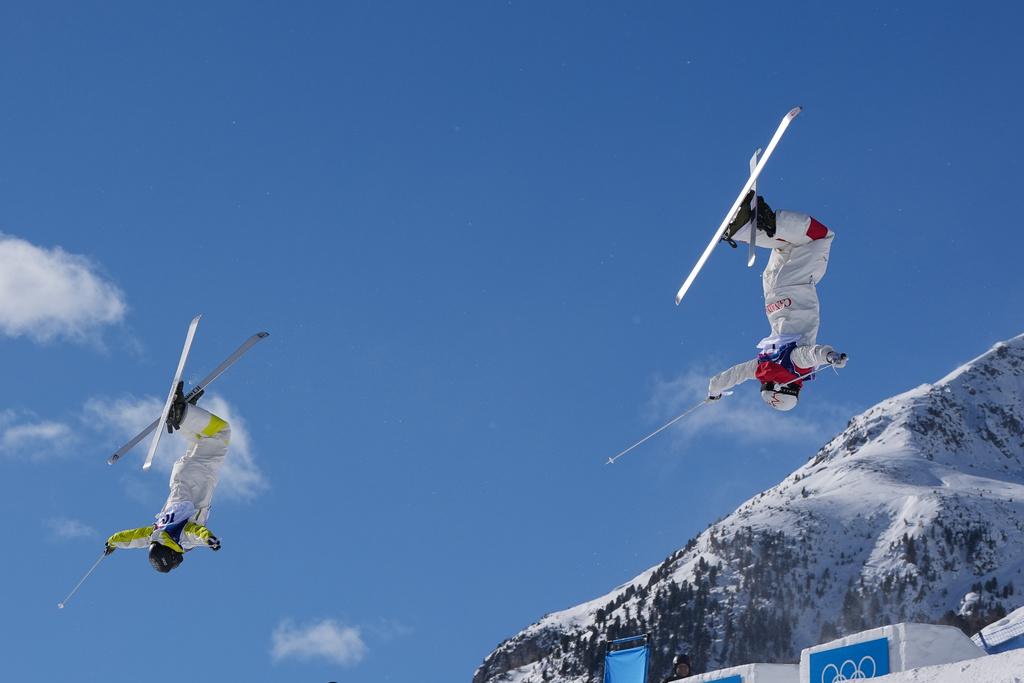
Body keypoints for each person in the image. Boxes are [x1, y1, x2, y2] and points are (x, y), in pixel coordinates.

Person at [708, 194, 847, 411]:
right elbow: (735, 375)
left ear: (788, 388)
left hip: (795, 284)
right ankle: (747, 228)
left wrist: (830, 356)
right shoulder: (761, 366)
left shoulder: (794, 365)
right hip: (772, 288)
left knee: (821, 237)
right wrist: (714, 390)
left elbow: (811, 354)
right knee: (786, 244)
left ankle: (758, 225)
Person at [104, 383, 228, 572]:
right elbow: (133, 537)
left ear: (171, 555)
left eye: (175, 562)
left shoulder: (181, 538)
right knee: (202, 439)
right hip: (182, 474)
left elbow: (194, 532)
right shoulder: (155, 533)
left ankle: (183, 413)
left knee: (220, 433)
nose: (179, 562)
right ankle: (185, 414)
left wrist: (209, 540)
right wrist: (113, 541)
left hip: (200, 473)